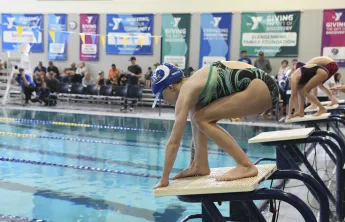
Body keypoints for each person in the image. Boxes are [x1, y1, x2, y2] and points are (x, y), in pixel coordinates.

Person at [151, 61, 279, 189]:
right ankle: (199, 165)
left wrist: (164, 179)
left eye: (162, 97)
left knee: (201, 119)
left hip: (262, 87)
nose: (164, 101)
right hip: (263, 86)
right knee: (197, 115)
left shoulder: (186, 90)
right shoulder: (194, 86)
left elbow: (174, 143)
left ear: (170, 87)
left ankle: (245, 165)